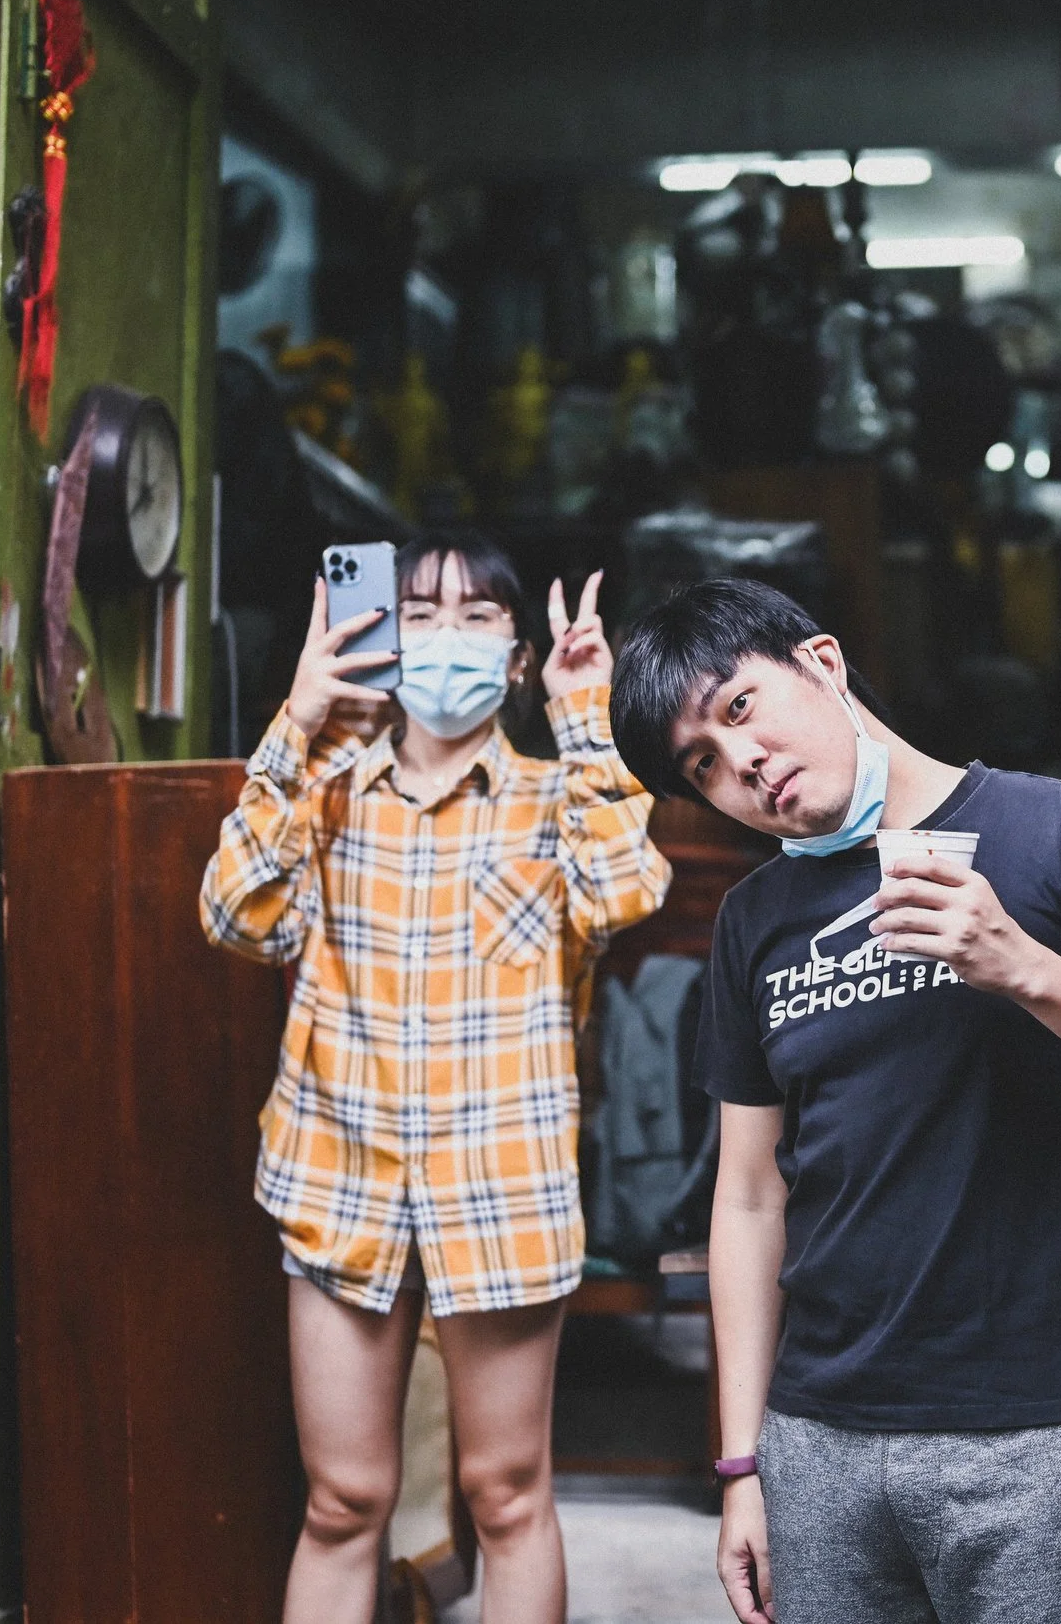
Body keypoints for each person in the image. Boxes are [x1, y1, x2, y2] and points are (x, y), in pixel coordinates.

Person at [610, 579, 1061, 1624]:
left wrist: (1025, 968)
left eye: (738, 708)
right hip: (818, 1443)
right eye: (702, 765)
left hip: (1037, 1434)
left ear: (821, 662)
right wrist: (743, 1463)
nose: (741, 762)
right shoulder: (754, 919)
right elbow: (750, 1197)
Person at [201, 533, 669, 1624]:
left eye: (478, 615)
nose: (447, 635)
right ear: (381, 640)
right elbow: (235, 915)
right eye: (418, 612)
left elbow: (622, 896)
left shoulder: (556, 797)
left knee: (507, 1495)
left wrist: (583, 713)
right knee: (342, 1500)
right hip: (337, 1184)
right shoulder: (325, 791)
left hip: (501, 1191)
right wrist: (302, 718)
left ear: (517, 656)